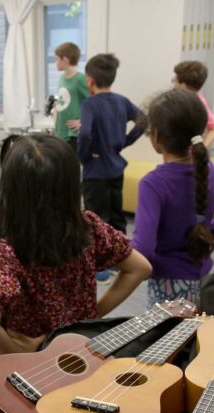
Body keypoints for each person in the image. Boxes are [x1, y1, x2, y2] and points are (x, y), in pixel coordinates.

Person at [0, 134, 151, 355]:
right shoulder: (89, 228)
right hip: (82, 351)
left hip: (34, 373)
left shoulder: (2, 257)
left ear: (10, 191)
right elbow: (140, 267)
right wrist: (91, 319)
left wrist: (26, 356)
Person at [132, 89, 214, 307]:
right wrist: (205, 230)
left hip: (167, 286)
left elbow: (143, 250)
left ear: (157, 137)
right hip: (203, 282)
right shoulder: (211, 171)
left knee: (168, 340)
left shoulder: (152, 183)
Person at [77, 53, 146, 285]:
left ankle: (100, 269)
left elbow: (85, 133)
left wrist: (83, 155)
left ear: (89, 80)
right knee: (116, 216)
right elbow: (143, 120)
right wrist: (123, 142)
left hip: (95, 171)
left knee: (95, 219)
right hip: (117, 167)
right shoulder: (121, 101)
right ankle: (121, 261)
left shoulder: (89, 104)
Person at [173, 60, 214, 147]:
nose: (174, 84)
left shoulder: (198, 102)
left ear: (183, 86)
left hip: (187, 156)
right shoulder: (180, 100)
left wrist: (203, 148)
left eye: (175, 81)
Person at [53, 42, 89, 149]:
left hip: (72, 134)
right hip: (60, 131)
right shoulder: (61, 78)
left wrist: (82, 122)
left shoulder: (80, 79)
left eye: (57, 59)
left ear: (65, 60)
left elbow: (94, 103)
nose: (55, 62)